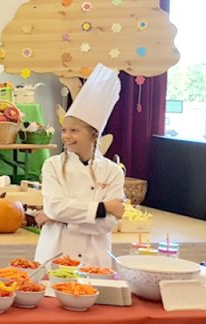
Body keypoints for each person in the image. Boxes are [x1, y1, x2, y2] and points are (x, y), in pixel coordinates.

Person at [34, 64, 125, 267]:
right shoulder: (53, 165)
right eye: (64, 130)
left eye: (74, 131)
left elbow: (108, 224)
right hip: (55, 254)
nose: (66, 136)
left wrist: (62, 219)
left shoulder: (112, 171)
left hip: (95, 258)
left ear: (93, 135)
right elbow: (55, 206)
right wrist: (103, 207)